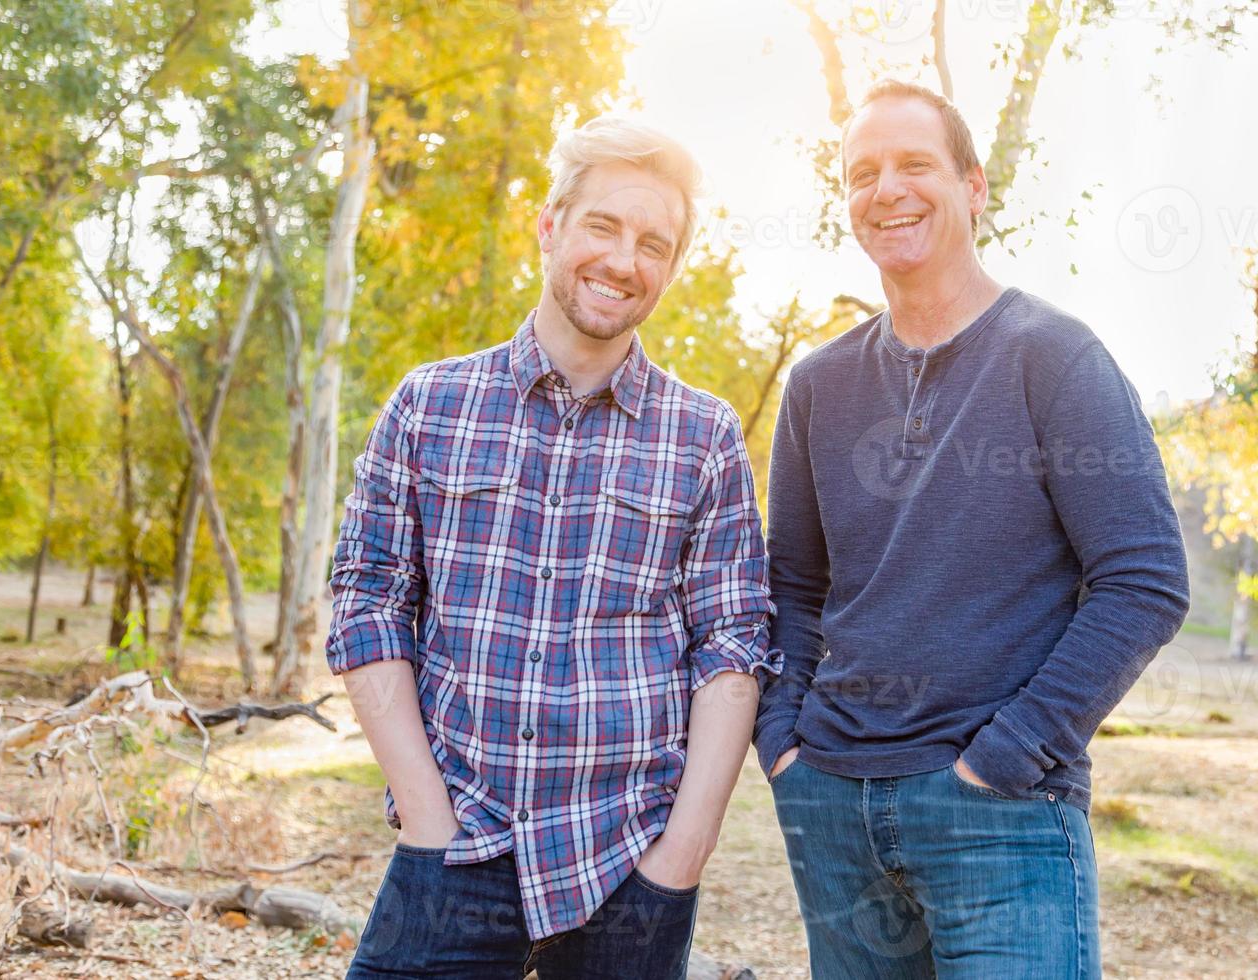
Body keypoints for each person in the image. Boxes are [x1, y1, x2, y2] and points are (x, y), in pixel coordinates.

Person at [753, 79, 1190, 979]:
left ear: (975, 185)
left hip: (1003, 817)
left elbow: (1144, 580)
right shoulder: (817, 386)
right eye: (862, 172)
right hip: (831, 807)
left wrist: (1010, 754)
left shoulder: (1055, 357)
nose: (888, 190)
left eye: (915, 164)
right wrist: (783, 745)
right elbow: (793, 587)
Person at [328, 115, 779, 980]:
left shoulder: (705, 436)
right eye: (603, 226)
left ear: (672, 268)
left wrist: (682, 854)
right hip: (455, 845)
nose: (623, 260)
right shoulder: (431, 405)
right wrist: (428, 818)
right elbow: (367, 600)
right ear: (549, 226)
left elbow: (734, 645)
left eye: (654, 242)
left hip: (629, 864)